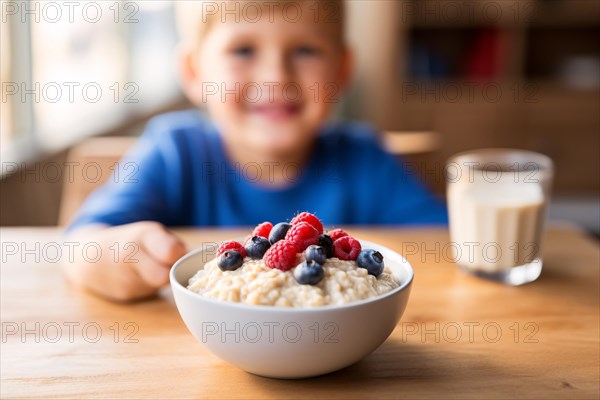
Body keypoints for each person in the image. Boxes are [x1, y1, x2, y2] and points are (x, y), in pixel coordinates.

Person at [65, 0, 447, 301]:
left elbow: (446, 247)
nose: (276, 76)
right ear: (195, 71)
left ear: (342, 71)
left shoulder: (366, 159)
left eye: (305, 50)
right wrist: (106, 257)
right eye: (244, 50)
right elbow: (80, 243)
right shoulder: (174, 154)